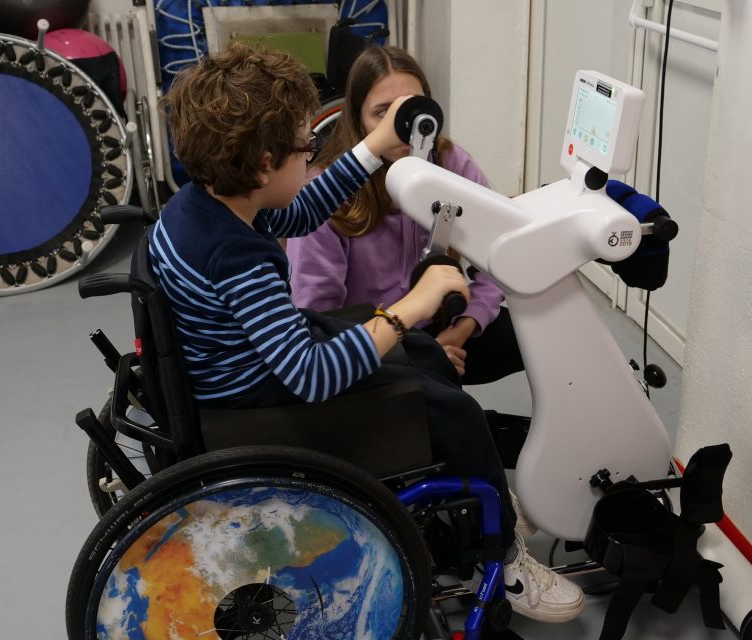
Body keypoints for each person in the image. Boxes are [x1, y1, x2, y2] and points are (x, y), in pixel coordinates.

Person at [151, 43, 585, 623]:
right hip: (258, 401)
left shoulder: (206, 205)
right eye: (306, 149)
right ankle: (503, 559)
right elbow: (311, 376)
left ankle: (475, 505)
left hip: (242, 369)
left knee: (425, 353)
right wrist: (409, 305)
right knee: (453, 412)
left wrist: (373, 149)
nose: (312, 158)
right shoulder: (237, 257)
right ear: (262, 163)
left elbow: (301, 212)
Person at [287, 46, 524, 386]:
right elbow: (321, 321)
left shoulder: (450, 163)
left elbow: (497, 253)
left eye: (412, 109)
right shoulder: (326, 194)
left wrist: (463, 328)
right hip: (368, 346)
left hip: (442, 324)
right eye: (383, 113)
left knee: (539, 336)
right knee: (454, 418)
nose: (401, 128)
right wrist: (416, 358)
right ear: (357, 118)